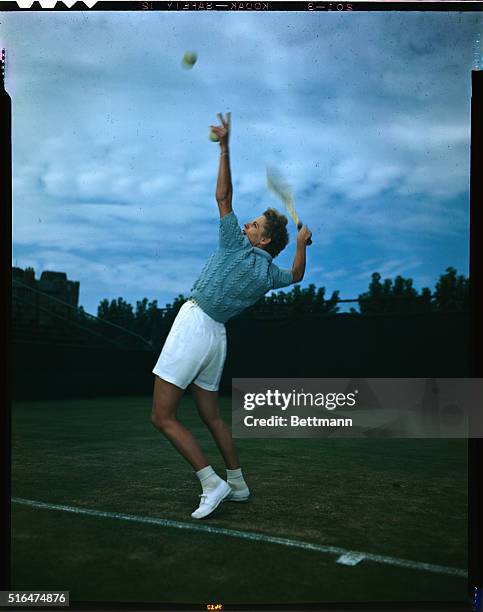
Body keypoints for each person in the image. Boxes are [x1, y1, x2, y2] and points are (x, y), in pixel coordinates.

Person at [151, 112, 312, 520]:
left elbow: (223, 197)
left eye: (253, 224)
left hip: (194, 325)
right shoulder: (269, 274)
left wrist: (224, 148)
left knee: (162, 416)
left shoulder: (234, 246)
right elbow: (295, 274)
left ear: (264, 238)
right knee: (211, 415)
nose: (245, 224)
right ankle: (237, 482)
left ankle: (212, 482)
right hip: (217, 339)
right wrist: (303, 245)